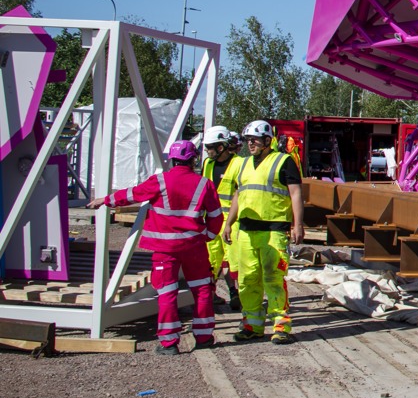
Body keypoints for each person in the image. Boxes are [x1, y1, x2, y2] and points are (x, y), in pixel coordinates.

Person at [86, 140, 222, 354]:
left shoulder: (159, 181)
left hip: (165, 249)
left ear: (172, 159)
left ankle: (169, 344)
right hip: (194, 247)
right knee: (202, 289)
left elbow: (132, 194)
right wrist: (208, 236)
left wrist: (106, 200)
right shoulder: (204, 183)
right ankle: (204, 337)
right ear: (193, 159)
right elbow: (215, 217)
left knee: (168, 292)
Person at [223, 119, 304, 344]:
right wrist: (229, 222)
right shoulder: (244, 164)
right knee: (248, 280)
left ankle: (281, 326)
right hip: (247, 230)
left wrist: (297, 224)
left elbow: (296, 193)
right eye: (248, 140)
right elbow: (239, 194)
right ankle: (252, 325)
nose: (251, 144)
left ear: (268, 141)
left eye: (255, 140)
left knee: (273, 279)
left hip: (273, 230)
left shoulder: (283, 161)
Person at [200, 125, 244, 311]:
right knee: (210, 260)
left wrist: (230, 222)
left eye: (210, 147)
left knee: (233, 260)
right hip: (211, 220)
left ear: (221, 147)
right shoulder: (208, 164)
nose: (207, 151)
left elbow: (240, 194)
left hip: (231, 222)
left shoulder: (239, 164)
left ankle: (237, 294)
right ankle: (209, 294)